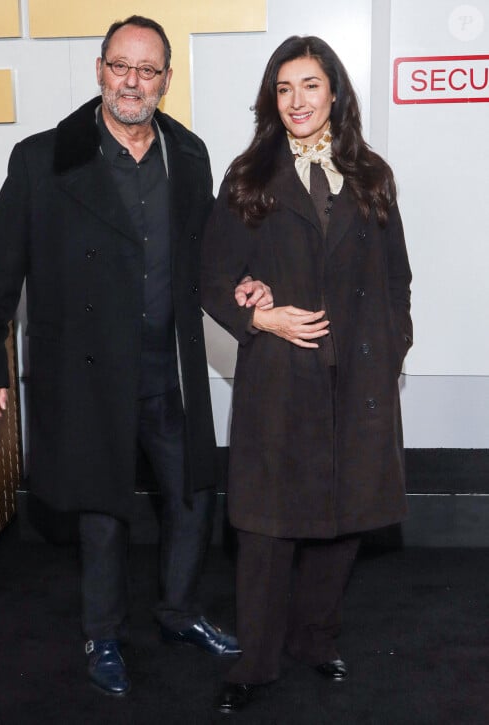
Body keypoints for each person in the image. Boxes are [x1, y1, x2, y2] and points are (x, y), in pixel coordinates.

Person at [0, 15, 272, 697]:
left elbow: (211, 254)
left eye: (148, 69)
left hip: (171, 368)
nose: (132, 81)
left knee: (192, 494)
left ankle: (179, 612)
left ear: (166, 80)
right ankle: (102, 632)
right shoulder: (43, 158)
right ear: (101, 70)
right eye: (120, 65)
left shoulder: (189, 155)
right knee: (101, 510)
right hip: (88, 373)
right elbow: (2, 266)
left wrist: (247, 284)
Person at [200, 35, 413, 714]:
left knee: (346, 517)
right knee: (265, 528)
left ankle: (315, 640)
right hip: (279, 380)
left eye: (311, 86)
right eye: (284, 88)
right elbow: (212, 278)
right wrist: (262, 320)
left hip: (358, 380)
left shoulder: (371, 175)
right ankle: (255, 662)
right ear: (272, 97)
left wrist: (391, 346)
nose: (297, 100)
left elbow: (398, 278)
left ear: (335, 93)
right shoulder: (249, 176)